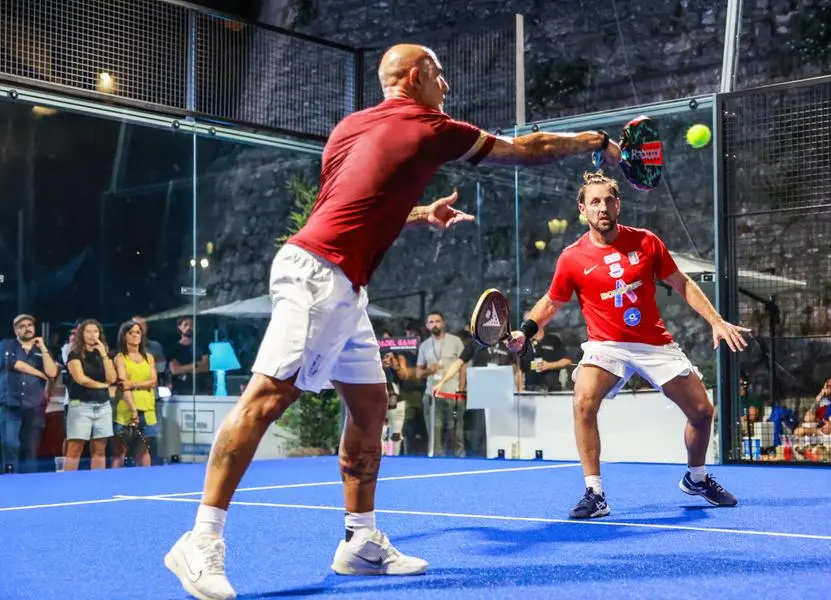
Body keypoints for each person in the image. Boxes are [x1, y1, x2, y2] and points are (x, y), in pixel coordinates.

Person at [164, 43, 623, 600]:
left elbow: (356, 206)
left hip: (341, 282)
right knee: (266, 398)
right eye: (440, 76)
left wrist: (422, 212)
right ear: (416, 76)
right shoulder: (431, 125)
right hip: (320, 276)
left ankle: (359, 542)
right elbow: (529, 150)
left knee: (370, 405)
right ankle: (201, 539)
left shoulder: (349, 128)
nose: (447, 87)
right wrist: (592, 142)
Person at [508, 170, 749, 520]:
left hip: (654, 343)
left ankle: (696, 478)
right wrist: (525, 332)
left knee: (702, 412)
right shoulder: (572, 258)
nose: (602, 207)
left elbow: (682, 284)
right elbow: (551, 302)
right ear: (582, 209)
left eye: (608, 200)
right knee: (583, 400)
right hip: (606, 346)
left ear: (618, 204)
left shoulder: (647, 242)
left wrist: (715, 320)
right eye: (594, 202)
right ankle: (595, 493)